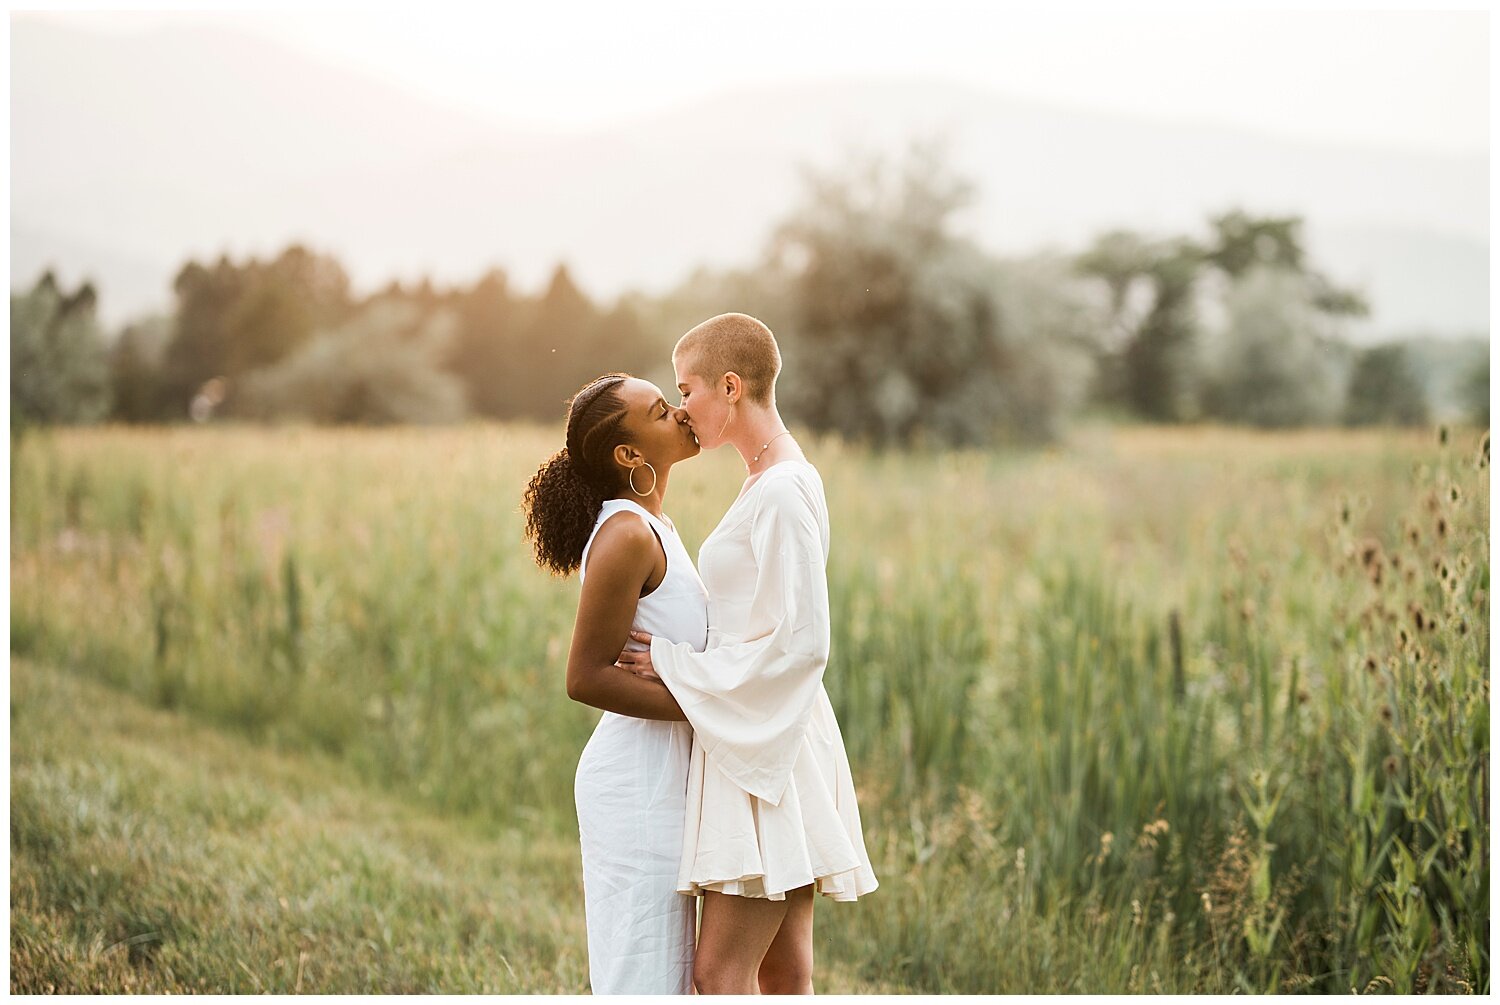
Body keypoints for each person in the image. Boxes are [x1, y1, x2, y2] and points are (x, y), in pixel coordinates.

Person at [616, 313, 878, 995]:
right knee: (783, 971)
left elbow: (802, 640)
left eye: (688, 389)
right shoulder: (769, 477)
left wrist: (678, 667)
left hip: (765, 742)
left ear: (730, 386)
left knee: (719, 972)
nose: (680, 408)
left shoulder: (785, 490)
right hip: (760, 729)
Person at [520, 372, 705, 995]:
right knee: (644, 974)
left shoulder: (657, 528)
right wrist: (704, 703)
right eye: (660, 411)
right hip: (636, 785)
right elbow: (584, 677)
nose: (680, 412)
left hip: (668, 774)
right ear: (630, 455)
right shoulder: (627, 534)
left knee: (671, 974)